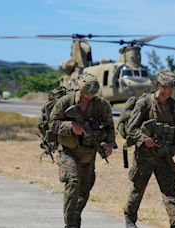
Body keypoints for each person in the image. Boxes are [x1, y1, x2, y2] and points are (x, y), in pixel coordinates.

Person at [50, 73, 116, 228]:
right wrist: (70, 127)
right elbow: (52, 123)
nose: (88, 98)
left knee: (84, 190)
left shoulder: (102, 105)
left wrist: (109, 144)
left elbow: (109, 127)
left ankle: (75, 217)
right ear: (80, 89)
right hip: (68, 151)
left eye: (91, 95)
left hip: (89, 152)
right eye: (86, 94)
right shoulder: (66, 101)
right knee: (73, 182)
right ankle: (70, 224)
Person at [124, 70, 175, 228]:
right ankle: (130, 219)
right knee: (138, 190)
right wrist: (144, 139)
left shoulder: (174, 107)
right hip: (145, 156)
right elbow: (131, 128)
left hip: (164, 156)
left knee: (170, 193)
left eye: (172, 87)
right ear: (159, 85)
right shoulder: (145, 103)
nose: (170, 90)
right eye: (167, 87)